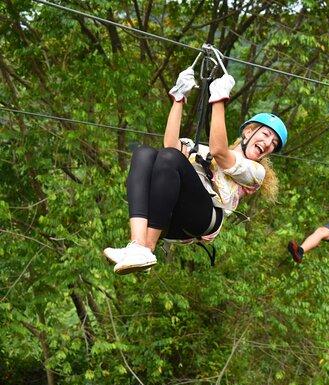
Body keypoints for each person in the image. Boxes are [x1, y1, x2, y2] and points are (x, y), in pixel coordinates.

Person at [104, 66, 288, 274]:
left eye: (273, 143)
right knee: (144, 153)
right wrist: (178, 99)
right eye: (265, 135)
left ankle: (147, 248)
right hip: (173, 216)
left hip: (206, 217)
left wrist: (218, 100)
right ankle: (137, 245)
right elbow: (171, 146)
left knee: (170, 157)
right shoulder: (206, 152)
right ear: (248, 132)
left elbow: (220, 151)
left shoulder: (255, 173)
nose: (268, 143)